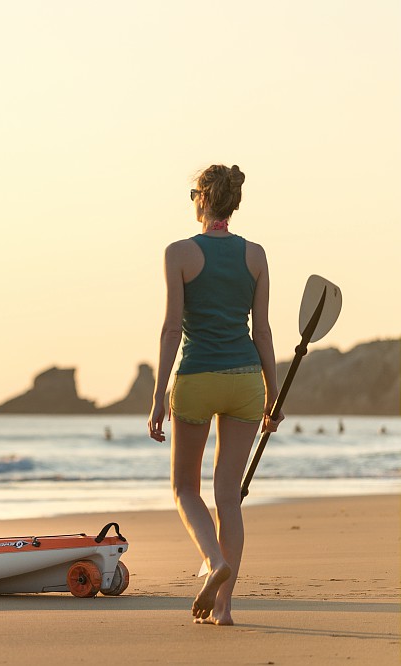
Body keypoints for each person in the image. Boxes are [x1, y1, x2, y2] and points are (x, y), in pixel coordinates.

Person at [147, 164, 284, 626]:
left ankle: (213, 560)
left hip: (197, 378)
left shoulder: (179, 253)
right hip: (246, 379)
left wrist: (157, 397)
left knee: (185, 488)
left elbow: (171, 331)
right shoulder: (257, 255)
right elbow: (262, 332)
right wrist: (273, 394)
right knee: (228, 495)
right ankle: (224, 609)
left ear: (202, 200)